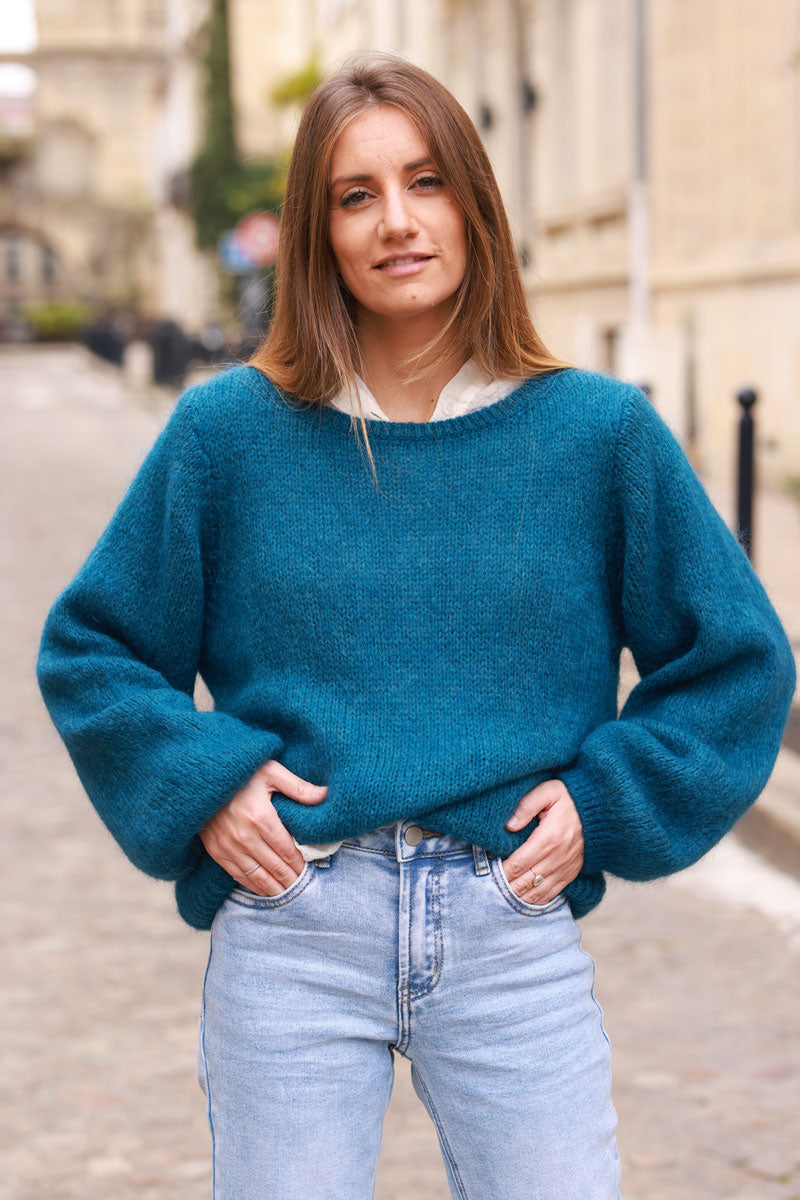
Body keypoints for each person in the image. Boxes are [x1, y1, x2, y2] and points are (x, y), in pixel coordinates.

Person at [37, 52, 795, 1200]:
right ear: (318, 231)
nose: (396, 220)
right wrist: (210, 780)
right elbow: (92, 652)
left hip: (508, 925)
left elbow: (735, 663)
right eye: (355, 195)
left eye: (426, 181)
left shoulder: (598, 436)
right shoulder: (226, 435)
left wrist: (605, 803)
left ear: (474, 204)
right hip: (294, 926)